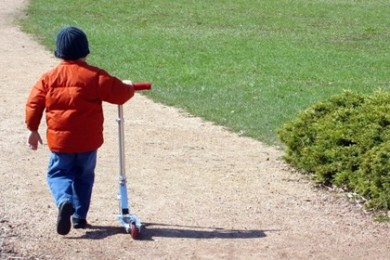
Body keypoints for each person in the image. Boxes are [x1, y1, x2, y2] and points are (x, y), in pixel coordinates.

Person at [25, 26, 135, 235]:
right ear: (85, 51)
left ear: (58, 52)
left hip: (61, 143)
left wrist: (32, 129)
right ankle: (79, 217)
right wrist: (129, 87)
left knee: (58, 173)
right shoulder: (94, 76)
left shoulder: (48, 78)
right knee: (84, 177)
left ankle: (64, 200)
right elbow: (119, 93)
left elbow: (33, 103)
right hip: (87, 142)